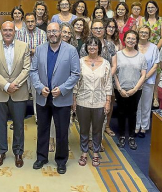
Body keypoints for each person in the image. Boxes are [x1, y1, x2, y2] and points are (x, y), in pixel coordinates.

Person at [30, 22, 80, 174]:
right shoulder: (39, 49)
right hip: (43, 96)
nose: (52, 34)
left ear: (60, 32)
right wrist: (39, 87)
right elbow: (33, 71)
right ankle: (41, 157)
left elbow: (76, 74)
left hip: (62, 98)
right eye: (49, 31)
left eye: (55, 31)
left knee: (62, 131)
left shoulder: (71, 50)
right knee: (42, 129)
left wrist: (63, 89)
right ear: (47, 33)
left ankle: (61, 160)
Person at [0, 21, 30, 168]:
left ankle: (18, 152)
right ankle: (1, 152)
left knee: (19, 124)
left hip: (19, 92)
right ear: (1, 31)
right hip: (0, 92)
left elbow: (26, 68)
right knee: (0, 124)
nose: (7, 33)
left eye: (10, 30)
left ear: (15, 32)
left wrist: (14, 85)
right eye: (5, 30)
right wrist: (6, 86)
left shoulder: (24, 46)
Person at [73, 36, 112, 167]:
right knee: (83, 129)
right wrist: (74, 100)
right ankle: (84, 153)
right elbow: (75, 83)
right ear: (86, 47)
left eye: (95, 45)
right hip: (82, 100)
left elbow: (108, 85)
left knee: (97, 129)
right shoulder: (79, 62)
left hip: (100, 102)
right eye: (90, 45)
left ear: (99, 48)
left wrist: (108, 101)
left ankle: (95, 153)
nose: (92, 47)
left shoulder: (106, 63)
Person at [114, 30, 147, 150]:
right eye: (128, 38)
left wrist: (135, 89)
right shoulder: (117, 55)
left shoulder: (141, 56)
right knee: (121, 112)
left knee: (133, 113)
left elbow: (143, 74)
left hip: (136, 90)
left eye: (133, 39)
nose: (130, 40)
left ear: (136, 41)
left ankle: (131, 137)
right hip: (120, 89)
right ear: (124, 39)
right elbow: (114, 74)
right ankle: (122, 136)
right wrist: (119, 88)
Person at [16, 13, 47, 125]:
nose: (30, 23)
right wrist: (32, 50)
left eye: (32, 21)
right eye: (28, 21)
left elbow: (42, 51)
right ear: (25, 21)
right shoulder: (19, 33)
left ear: (36, 21)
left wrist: (31, 51)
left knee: (37, 94)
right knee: (20, 95)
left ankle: (39, 118)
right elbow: (18, 51)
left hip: (37, 69)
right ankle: (19, 118)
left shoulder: (42, 33)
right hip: (22, 68)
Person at [139, 0, 162, 107]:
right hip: (142, 49)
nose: (150, 9)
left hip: (156, 49)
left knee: (156, 74)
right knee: (143, 71)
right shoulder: (142, 20)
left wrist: (154, 49)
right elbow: (140, 33)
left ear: (156, 8)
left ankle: (155, 97)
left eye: (152, 7)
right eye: (148, 7)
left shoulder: (161, 20)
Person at [135, 25, 159, 137]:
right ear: (138, 33)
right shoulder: (134, 45)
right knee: (137, 104)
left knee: (146, 104)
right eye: (141, 32)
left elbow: (155, 66)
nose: (143, 34)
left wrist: (144, 78)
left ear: (149, 35)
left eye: (146, 33)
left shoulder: (154, 48)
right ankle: (136, 125)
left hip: (148, 81)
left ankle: (144, 127)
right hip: (134, 81)